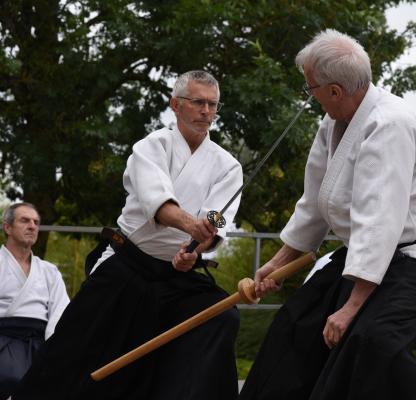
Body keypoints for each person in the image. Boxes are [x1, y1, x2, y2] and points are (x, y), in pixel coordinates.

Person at [238, 30, 416, 400]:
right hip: (364, 255)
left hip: (411, 260)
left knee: (368, 342)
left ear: (335, 91)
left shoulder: (391, 124)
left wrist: (351, 306)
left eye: (310, 88)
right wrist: (277, 263)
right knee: (296, 325)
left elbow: (380, 220)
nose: (310, 96)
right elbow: (315, 204)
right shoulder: (333, 123)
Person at [14, 70, 243, 400]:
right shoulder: (152, 147)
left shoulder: (227, 166)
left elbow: (215, 223)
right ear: (175, 105)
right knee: (76, 344)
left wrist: (195, 247)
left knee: (220, 316)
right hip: (129, 264)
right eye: (197, 102)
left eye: (212, 104)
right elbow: (159, 204)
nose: (206, 111)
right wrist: (194, 227)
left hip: (180, 275)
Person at [0, 203, 70, 399]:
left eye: (36, 222)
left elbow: (60, 313)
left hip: (41, 344)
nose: (32, 226)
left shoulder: (49, 271)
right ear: (7, 227)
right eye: (24, 220)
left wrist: (51, 351)